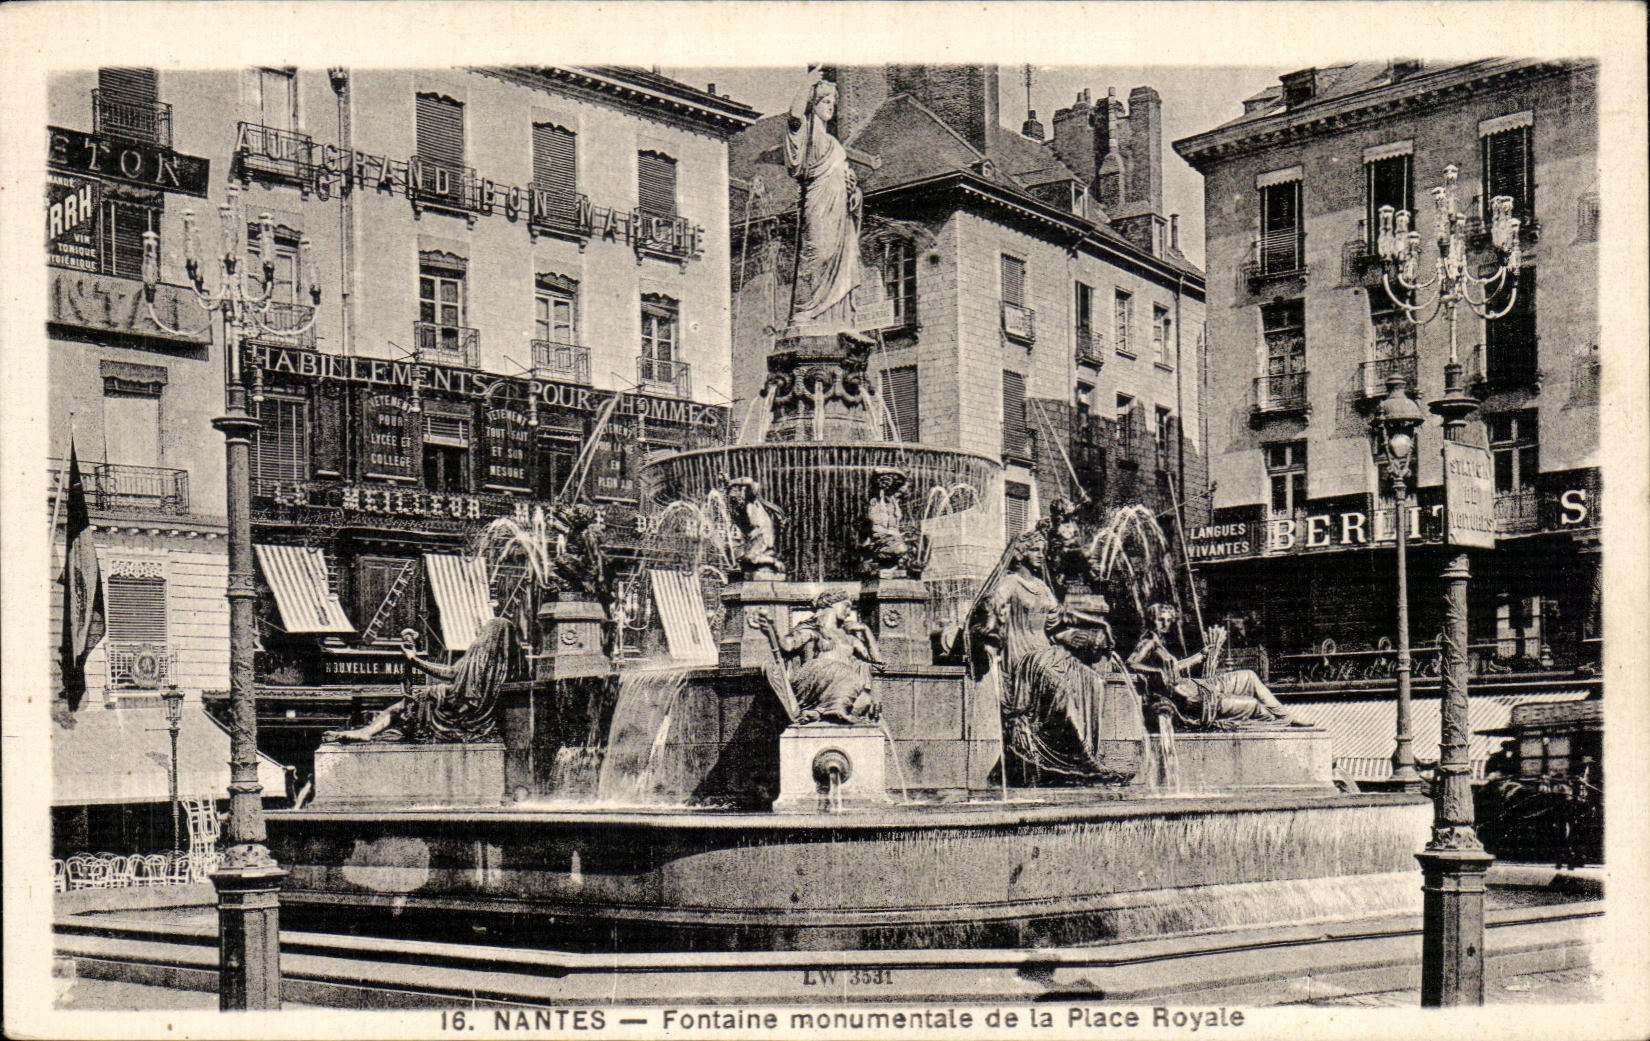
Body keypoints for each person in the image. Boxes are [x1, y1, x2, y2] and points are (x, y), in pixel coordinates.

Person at [983, 529, 1145, 783]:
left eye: (1042, 550)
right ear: (1020, 553)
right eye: (1035, 550)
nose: (1040, 554)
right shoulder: (1011, 582)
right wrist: (992, 626)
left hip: (1048, 653)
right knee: (1061, 690)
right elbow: (991, 603)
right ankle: (1081, 759)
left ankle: (1086, 754)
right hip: (1025, 661)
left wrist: (1094, 634)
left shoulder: (1042, 588)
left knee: (1093, 682)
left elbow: (1058, 630)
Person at [322, 620, 517, 744]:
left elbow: (449, 673)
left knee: (402, 707)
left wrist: (414, 660)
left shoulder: (477, 657)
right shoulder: (506, 666)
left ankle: (367, 732)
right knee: (406, 707)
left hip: (451, 706)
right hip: (476, 715)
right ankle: (370, 731)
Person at [1127, 603, 1310, 729]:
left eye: (1168, 620)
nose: (1165, 624)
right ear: (1152, 619)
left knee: (1249, 676)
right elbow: (1131, 663)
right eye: (1161, 620)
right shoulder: (1149, 641)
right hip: (1189, 696)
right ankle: (1281, 721)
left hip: (1196, 685)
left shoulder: (1160, 642)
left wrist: (1200, 656)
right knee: (1253, 705)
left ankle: (1285, 716)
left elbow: (1174, 668)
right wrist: (1157, 671)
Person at [785, 68, 862, 330]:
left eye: (832, 103)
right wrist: (808, 83)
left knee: (842, 257)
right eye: (824, 102)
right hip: (818, 204)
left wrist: (855, 193)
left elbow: (845, 175)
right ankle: (805, 312)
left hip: (840, 211)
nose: (830, 107)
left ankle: (835, 317)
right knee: (817, 254)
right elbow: (794, 115)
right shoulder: (805, 133)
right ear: (813, 104)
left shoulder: (834, 143)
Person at [752, 589, 882, 724]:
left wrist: (866, 631)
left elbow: (878, 664)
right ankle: (833, 710)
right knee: (845, 672)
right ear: (831, 603)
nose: (849, 612)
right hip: (815, 680)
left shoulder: (848, 637)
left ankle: (820, 713)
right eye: (846, 605)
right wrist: (772, 629)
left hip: (846, 683)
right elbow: (787, 645)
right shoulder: (811, 629)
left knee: (865, 700)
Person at [726, 476, 786, 577]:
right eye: (732, 499)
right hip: (755, 540)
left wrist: (731, 482)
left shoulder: (751, 500)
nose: (734, 499)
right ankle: (770, 561)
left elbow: (750, 482)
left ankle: (774, 562)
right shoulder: (740, 511)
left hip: (763, 537)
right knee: (742, 559)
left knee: (748, 558)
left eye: (735, 496)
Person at [859, 467, 913, 576]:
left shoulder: (894, 500)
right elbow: (877, 471)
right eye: (886, 483)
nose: (889, 485)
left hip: (893, 537)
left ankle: (893, 567)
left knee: (914, 547)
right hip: (880, 537)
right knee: (902, 549)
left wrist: (906, 475)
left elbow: (903, 488)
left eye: (892, 483)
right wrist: (891, 473)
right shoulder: (876, 499)